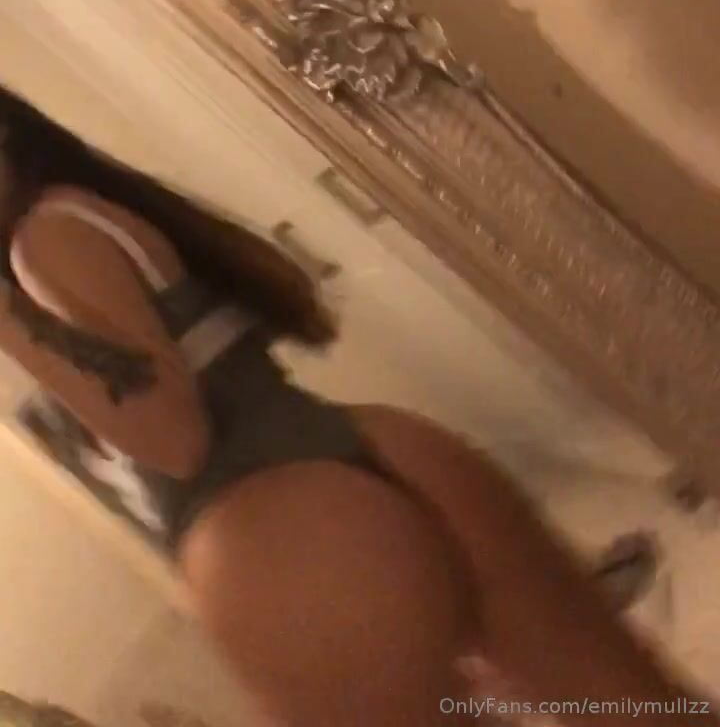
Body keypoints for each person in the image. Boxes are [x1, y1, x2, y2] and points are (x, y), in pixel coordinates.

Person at [0, 86, 713, 727]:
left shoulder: (42, 241)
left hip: (278, 535)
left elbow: (172, 439)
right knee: (635, 706)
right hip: (380, 449)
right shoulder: (84, 210)